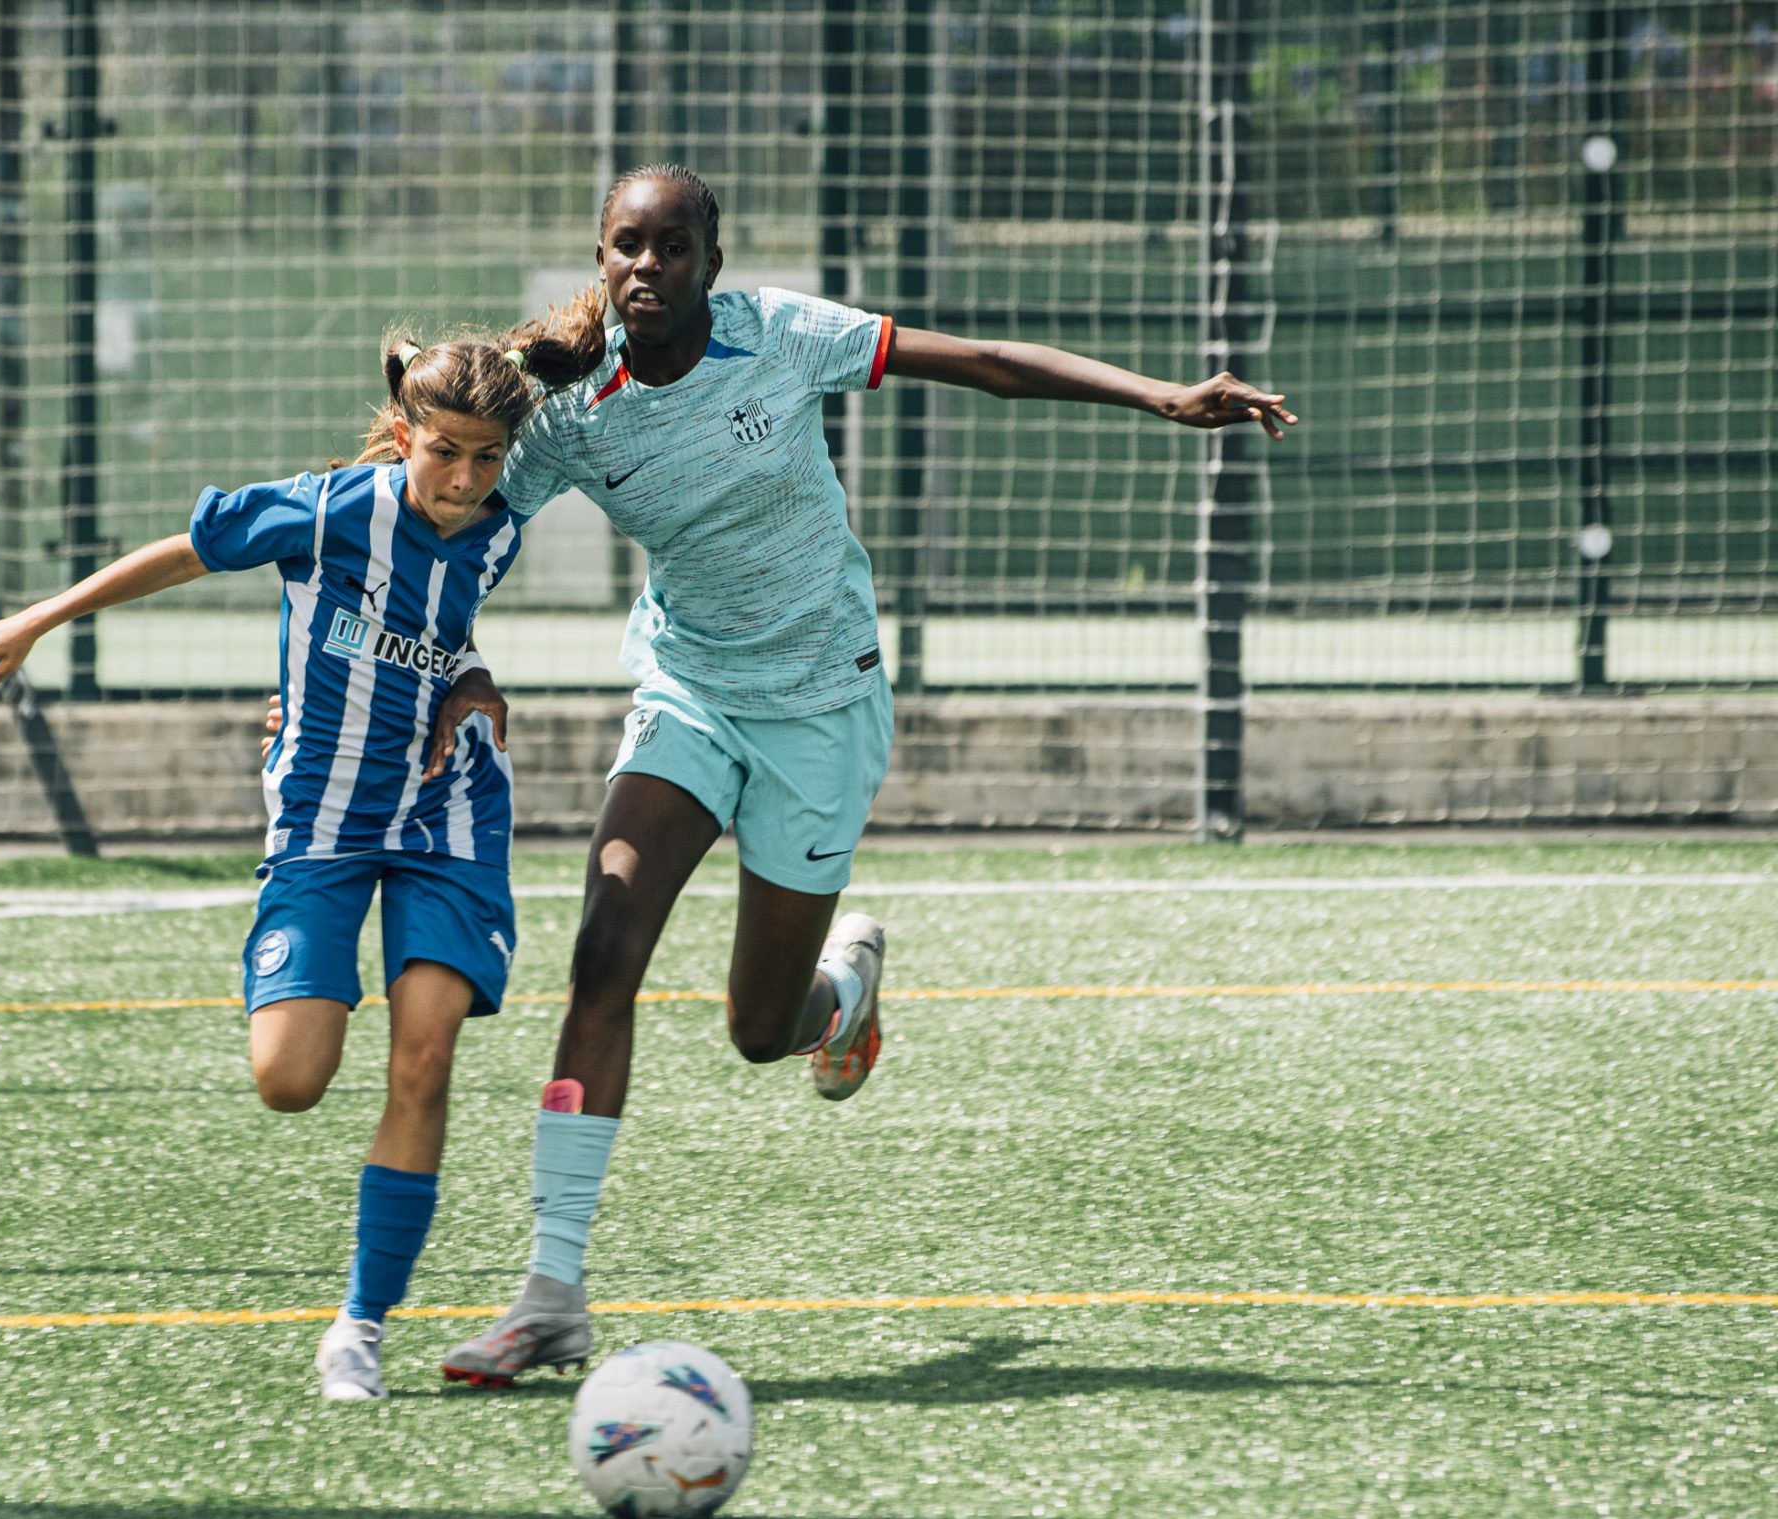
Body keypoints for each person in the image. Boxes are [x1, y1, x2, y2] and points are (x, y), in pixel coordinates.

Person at [437, 164, 1301, 1387]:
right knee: (602, 949)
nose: (647, 267)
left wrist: (1159, 395)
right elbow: (455, 532)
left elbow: (989, 363)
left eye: (672, 247)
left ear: (711, 267)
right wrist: (384, 651)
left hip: (822, 708)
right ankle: (551, 1294)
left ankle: (838, 1000)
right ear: (600, 257)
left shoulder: (781, 337)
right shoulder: (574, 413)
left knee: (754, 1030)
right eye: (626, 246)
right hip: (689, 693)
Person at [0, 306, 604, 1401]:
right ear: (399, 434)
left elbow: (440, 623)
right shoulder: (332, 507)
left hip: (449, 813)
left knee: (424, 1057)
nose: (466, 478)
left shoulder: (500, 520)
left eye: (487, 461)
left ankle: (358, 1325)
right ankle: (356, 1295)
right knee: (289, 1080)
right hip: (322, 825)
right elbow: (184, 553)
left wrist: (471, 677)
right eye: (444, 452)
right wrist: (36, 621)